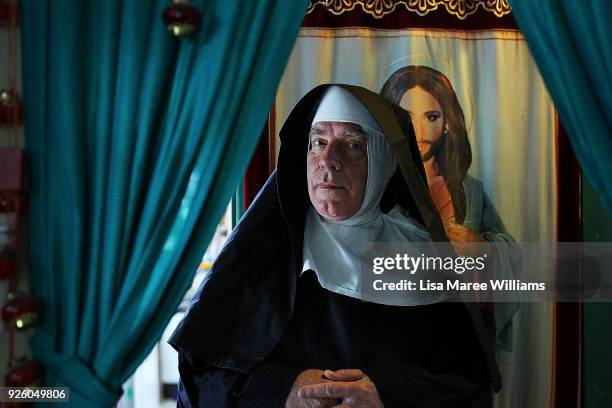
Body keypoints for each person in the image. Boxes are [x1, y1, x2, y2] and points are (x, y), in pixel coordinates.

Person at [169, 84, 501, 407]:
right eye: (318, 142)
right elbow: (199, 379)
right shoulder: (261, 257)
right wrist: (285, 391)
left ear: (385, 159)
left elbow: (469, 388)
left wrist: (385, 394)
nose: (329, 160)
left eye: (353, 144)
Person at [381, 65, 519, 350]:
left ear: (446, 122)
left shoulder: (469, 190)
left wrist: (483, 248)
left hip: (458, 333)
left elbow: (514, 254)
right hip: (395, 330)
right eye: (405, 117)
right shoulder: (375, 186)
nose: (418, 131)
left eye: (431, 117)